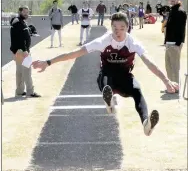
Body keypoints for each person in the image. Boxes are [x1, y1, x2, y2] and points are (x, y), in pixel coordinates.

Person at [30, 12, 179, 136]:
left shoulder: (133, 43)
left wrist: (166, 81)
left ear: (128, 28)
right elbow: (74, 53)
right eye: (114, 27)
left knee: (137, 91)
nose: (117, 31)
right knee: (106, 82)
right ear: (111, 27)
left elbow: (149, 62)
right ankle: (110, 103)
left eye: (121, 28)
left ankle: (146, 124)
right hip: (107, 77)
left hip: (125, 78)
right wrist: (48, 62)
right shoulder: (103, 41)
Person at [10, 6, 41, 98]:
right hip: (22, 51)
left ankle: (19, 91)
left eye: (27, 12)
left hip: (18, 51)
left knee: (19, 72)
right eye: (24, 12)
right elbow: (19, 38)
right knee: (27, 71)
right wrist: (24, 50)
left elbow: (23, 34)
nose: (26, 14)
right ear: (19, 12)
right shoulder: (18, 22)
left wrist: (30, 31)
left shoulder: (20, 22)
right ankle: (30, 92)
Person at [164, 0, 187, 88]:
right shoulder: (172, 11)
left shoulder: (180, 12)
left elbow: (182, 29)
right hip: (169, 43)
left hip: (175, 44)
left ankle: (176, 87)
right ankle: (171, 86)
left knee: (174, 67)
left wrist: (179, 43)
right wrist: (166, 42)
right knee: (168, 67)